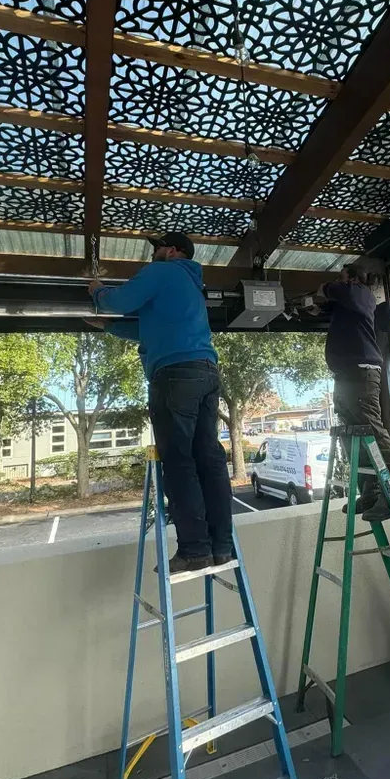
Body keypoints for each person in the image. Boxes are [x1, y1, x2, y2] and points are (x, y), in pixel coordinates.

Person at [88, 231, 233, 575]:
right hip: (206, 372)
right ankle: (220, 546)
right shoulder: (191, 286)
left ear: (172, 251)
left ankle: (195, 550)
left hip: (174, 375)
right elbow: (148, 330)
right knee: (208, 459)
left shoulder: (163, 271)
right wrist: (109, 327)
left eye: (158, 248)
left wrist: (97, 292)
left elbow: (121, 300)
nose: (153, 254)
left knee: (179, 462)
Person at [318, 264, 390, 521]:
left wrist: (327, 289)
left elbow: (340, 293)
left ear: (353, 279)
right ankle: (370, 489)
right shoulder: (348, 304)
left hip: (362, 372)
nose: (336, 281)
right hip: (345, 375)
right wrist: (319, 305)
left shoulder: (362, 293)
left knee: (371, 426)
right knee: (351, 433)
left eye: (341, 277)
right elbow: (332, 304)